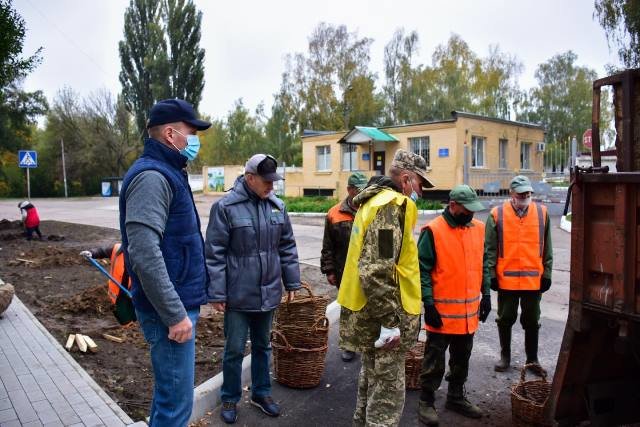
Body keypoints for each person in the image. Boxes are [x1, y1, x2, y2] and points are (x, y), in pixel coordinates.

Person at [118, 98, 211, 427]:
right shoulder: (153, 177)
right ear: (171, 135)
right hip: (168, 312)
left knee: (170, 396)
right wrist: (174, 314)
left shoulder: (169, 171)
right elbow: (144, 252)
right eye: (192, 131)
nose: (196, 138)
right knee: (175, 404)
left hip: (175, 304)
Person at [338, 149, 434, 427]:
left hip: (369, 314)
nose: (420, 191)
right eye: (418, 183)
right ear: (405, 179)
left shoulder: (375, 201)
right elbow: (377, 269)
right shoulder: (391, 206)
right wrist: (391, 323)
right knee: (387, 396)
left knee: (371, 382)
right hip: (383, 320)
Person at [205, 153, 301, 425]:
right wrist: (217, 292)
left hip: (268, 292)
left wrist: (292, 281)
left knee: (263, 345)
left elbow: (287, 246)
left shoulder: (277, 206)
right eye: (266, 181)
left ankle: (261, 393)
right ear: (249, 178)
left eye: (274, 181)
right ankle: (230, 398)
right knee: (234, 349)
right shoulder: (225, 207)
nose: (272, 186)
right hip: (237, 295)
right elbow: (214, 253)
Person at [417, 185, 490, 425]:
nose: (471, 214)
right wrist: (428, 304)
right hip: (441, 313)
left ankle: (456, 397)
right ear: (453, 205)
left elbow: (483, 264)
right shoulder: (434, 231)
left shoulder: (478, 229)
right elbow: (423, 270)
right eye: (467, 209)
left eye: (473, 210)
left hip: (468, 315)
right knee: (434, 360)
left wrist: (486, 294)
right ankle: (426, 402)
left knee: (462, 358)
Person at [484, 175, 553, 372]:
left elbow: (547, 247)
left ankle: (532, 360)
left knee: (532, 320)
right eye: (521, 192)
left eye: (528, 192)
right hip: (506, 281)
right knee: (505, 318)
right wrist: (491, 275)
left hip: (533, 281)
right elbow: (489, 249)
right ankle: (505, 356)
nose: (525, 195)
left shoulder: (542, 213)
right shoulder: (497, 214)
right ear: (511, 194)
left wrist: (547, 273)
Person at [320, 171, 368, 362]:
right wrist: (329, 271)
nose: (362, 194)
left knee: (368, 309)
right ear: (349, 190)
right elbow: (327, 246)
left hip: (367, 271)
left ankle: (366, 343)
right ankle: (349, 346)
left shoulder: (370, 210)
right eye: (359, 190)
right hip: (343, 271)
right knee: (348, 310)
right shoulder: (334, 213)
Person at [79, 244, 136, 325]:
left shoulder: (143, 255)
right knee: (123, 317)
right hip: (118, 294)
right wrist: (91, 253)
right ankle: (127, 328)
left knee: (138, 314)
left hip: (134, 293)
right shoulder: (117, 249)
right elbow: (102, 251)